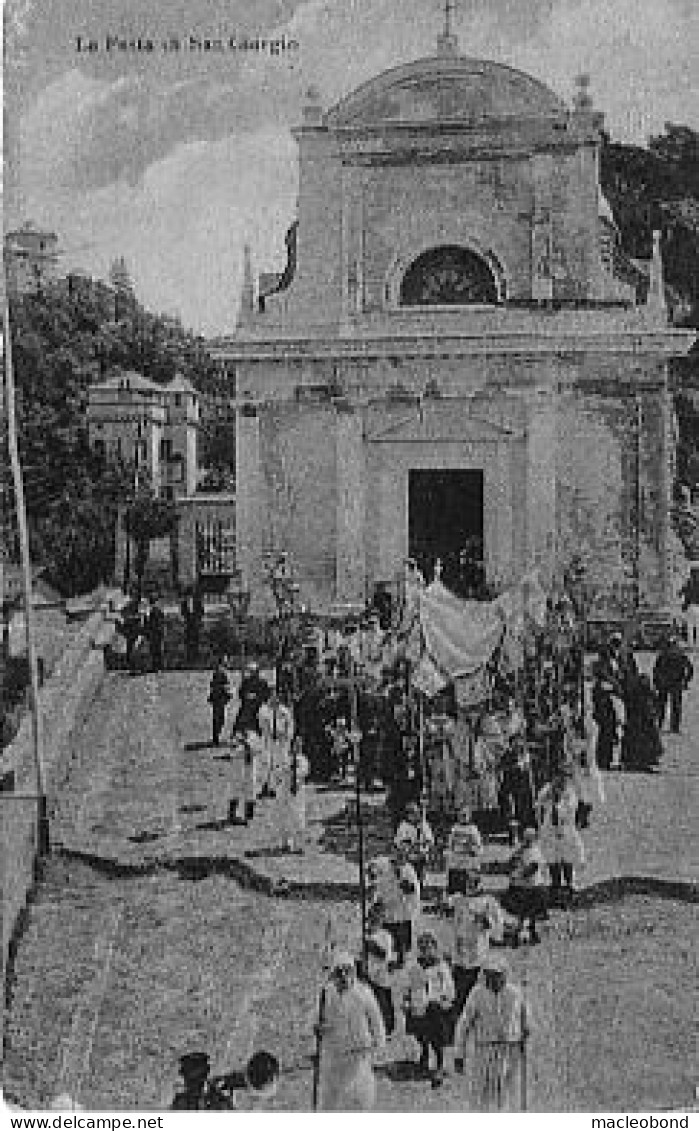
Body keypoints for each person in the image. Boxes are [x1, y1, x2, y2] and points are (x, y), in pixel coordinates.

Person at [453, 956, 529, 1113]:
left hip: (510, 1049)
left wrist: (524, 1038)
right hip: (484, 1050)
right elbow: (464, 1024)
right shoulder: (477, 994)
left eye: (497, 974)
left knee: (507, 1093)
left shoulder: (515, 994)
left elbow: (525, 1019)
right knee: (483, 1095)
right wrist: (459, 1054)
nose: (492, 979)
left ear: (505, 975)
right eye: (489, 974)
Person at [315, 950, 386, 1111]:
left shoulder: (363, 993)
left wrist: (379, 1042)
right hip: (336, 1054)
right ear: (334, 975)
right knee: (332, 1098)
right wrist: (321, 1029)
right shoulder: (327, 993)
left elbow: (376, 1019)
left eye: (348, 971)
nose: (344, 976)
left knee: (360, 1097)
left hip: (359, 1052)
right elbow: (323, 1021)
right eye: (339, 972)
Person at [402, 929, 455, 1087]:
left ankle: (439, 1064)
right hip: (418, 1005)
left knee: (436, 1036)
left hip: (436, 1008)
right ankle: (424, 1054)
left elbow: (449, 989)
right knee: (421, 1033)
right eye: (422, 948)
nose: (425, 952)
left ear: (434, 948)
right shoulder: (414, 967)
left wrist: (442, 999)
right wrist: (406, 1001)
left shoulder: (441, 968)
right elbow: (407, 987)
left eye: (429, 947)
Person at [450, 882, 505, 1023]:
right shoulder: (459, 900)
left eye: (475, 883)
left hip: (478, 952)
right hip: (460, 952)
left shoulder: (488, 902)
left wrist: (485, 920)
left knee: (477, 987)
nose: (471, 887)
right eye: (469, 882)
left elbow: (497, 926)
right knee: (459, 989)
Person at [536, 769, 584, 906]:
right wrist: (542, 803)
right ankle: (555, 886)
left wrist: (558, 803)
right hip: (550, 830)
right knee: (552, 858)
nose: (560, 781)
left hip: (565, 829)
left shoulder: (570, 793)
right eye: (557, 777)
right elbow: (540, 805)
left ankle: (569, 886)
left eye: (563, 778)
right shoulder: (547, 790)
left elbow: (570, 810)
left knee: (567, 857)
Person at [378, 841, 421, 967]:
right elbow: (380, 884)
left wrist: (403, 881)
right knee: (387, 940)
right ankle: (386, 962)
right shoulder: (385, 866)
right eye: (397, 853)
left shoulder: (408, 870)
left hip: (402, 913)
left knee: (402, 942)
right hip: (388, 911)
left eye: (403, 855)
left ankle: (402, 963)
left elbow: (413, 890)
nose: (399, 857)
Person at [502, 827, 548, 944]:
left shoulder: (535, 852)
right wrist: (512, 871)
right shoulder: (519, 851)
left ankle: (531, 932)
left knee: (531, 913)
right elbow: (510, 863)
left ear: (534, 840)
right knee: (521, 913)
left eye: (530, 839)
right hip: (520, 887)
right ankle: (519, 932)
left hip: (533, 887)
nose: (527, 841)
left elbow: (533, 867)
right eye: (526, 838)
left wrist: (518, 874)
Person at [621, 670, 663, 771]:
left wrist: (653, 714)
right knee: (637, 741)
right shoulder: (636, 694)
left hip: (645, 722)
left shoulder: (649, 694)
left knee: (646, 741)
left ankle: (645, 760)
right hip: (638, 722)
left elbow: (656, 706)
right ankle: (635, 761)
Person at [653, 634, 694, 734]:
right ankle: (664, 726)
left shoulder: (669, 655)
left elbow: (690, 669)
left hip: (671, 683)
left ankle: (669, 726)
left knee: (668, 706)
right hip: (669, 683)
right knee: (665, 705)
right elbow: (656, 670)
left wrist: (685, 680)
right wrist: (685, 681)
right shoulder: (672, 655)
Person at [258, 687, 295, 798]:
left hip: (281, 741)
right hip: (268, 740)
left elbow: (290, 726)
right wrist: (269, 733)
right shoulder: (264, 710)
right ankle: (265, 785)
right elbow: (262, 724)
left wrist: (286, 736)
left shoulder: (284, 711)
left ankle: (275, 788)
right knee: (266, 763)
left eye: (277, 696)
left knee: (280, 764)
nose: (275, 698)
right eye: (273, 696)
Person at [445, 810, 483, 896]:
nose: (463, 817)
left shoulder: (473, 829)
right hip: (456, 860)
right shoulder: (454, 828)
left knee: (468, 884)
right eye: (461, 815)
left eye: (465, 815)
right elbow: (450, 843)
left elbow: (478, 845)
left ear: (469, 816)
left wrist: (472, 849)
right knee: (455, 884)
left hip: (468, 860)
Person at [395, 801, 434, 885]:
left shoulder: (423, 825)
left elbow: (430, 840)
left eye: (415, 813)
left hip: (421, 856)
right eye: (411, 813)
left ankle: (421, 889)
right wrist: (407, 846)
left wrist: (425, 844)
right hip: (409, 858)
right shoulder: (403, 826)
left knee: (420, 877)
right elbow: (399, 843)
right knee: (410, 878)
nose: (414, 816)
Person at [591, 670, 619, 771]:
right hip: (605, 717)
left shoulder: (598, 688)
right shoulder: (601, 688)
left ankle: (603, 760)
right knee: (606, 739)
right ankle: (604, 760)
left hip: (604, 716)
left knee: (604, 739)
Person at [233, 661, 270, 735]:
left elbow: (266, 694)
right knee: (241, 719)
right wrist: (246, 696)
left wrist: (256, 697)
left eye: (254, 671)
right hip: (247, 705)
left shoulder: (262, 682)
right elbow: (241, 693)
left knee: (258, 720)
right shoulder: (246, 682)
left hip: (258, 705)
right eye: (251, 671)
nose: (252, 673)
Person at [208, 659, 231, 747]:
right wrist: (225, 689)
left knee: (219, 718)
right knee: (219, 719)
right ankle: (215, 738)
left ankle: (216, 737)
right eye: (226, 662)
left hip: (219, 698)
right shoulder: (220, 672)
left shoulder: (220, 672)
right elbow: (215, 685)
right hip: (218, 698)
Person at [146, 599, 166, 673]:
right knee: (157, 650)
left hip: (155, 633)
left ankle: (157, 667)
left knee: (155, 650)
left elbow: (153, 624)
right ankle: (157, 667)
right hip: (157, 632)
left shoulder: (154, 611)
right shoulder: (158, 611)